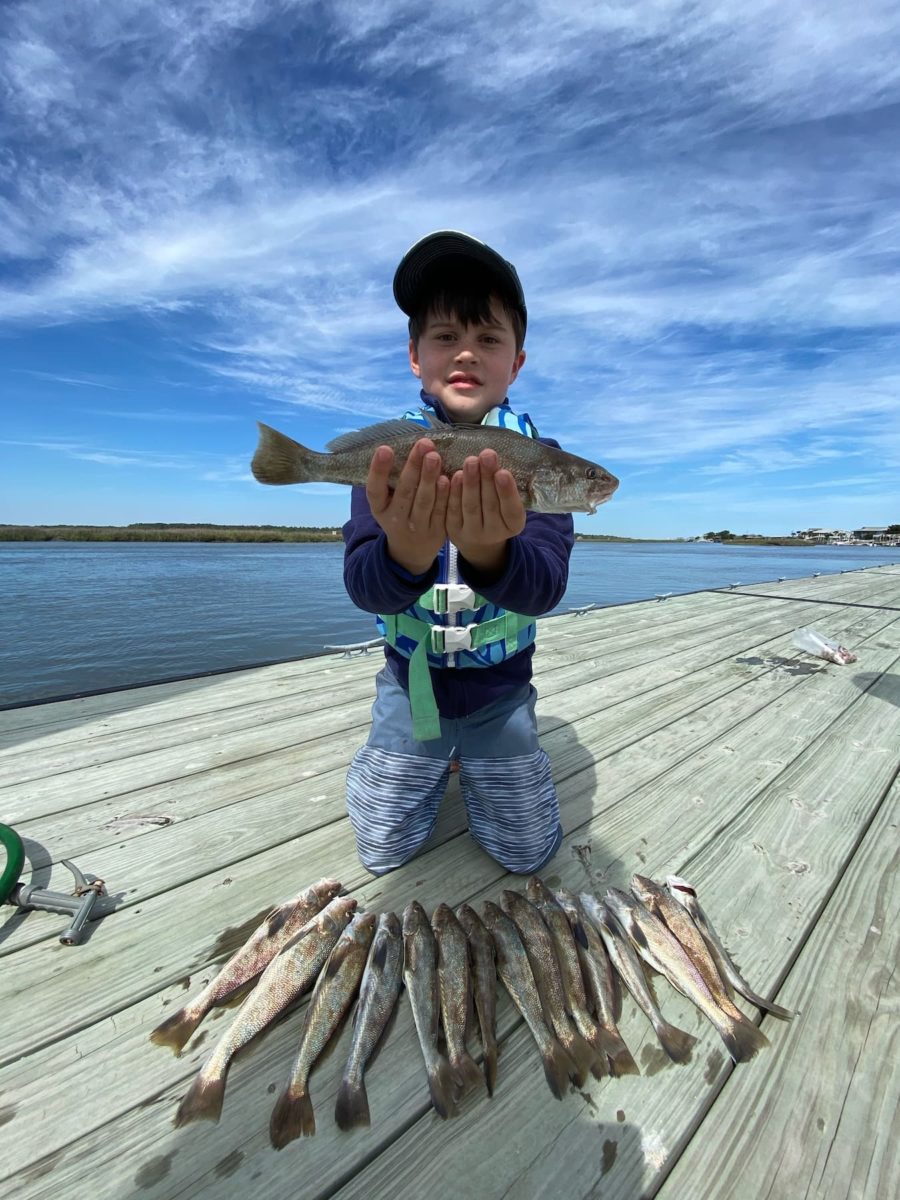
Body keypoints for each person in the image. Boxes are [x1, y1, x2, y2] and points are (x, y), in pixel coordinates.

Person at [342, 230, 575, 876]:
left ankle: (479, 762)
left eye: (489, 338)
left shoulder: (542, 460)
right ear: (415, 356)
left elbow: (544, 588)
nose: (467, 351)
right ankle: (424, 755)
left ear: (517, 363)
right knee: (381, 851)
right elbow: (365, 586)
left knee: (526, 852)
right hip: (412, 686)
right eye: (445, 337)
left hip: (501, 694)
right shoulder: (389, 458)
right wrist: (406, 555)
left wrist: (490, 552)